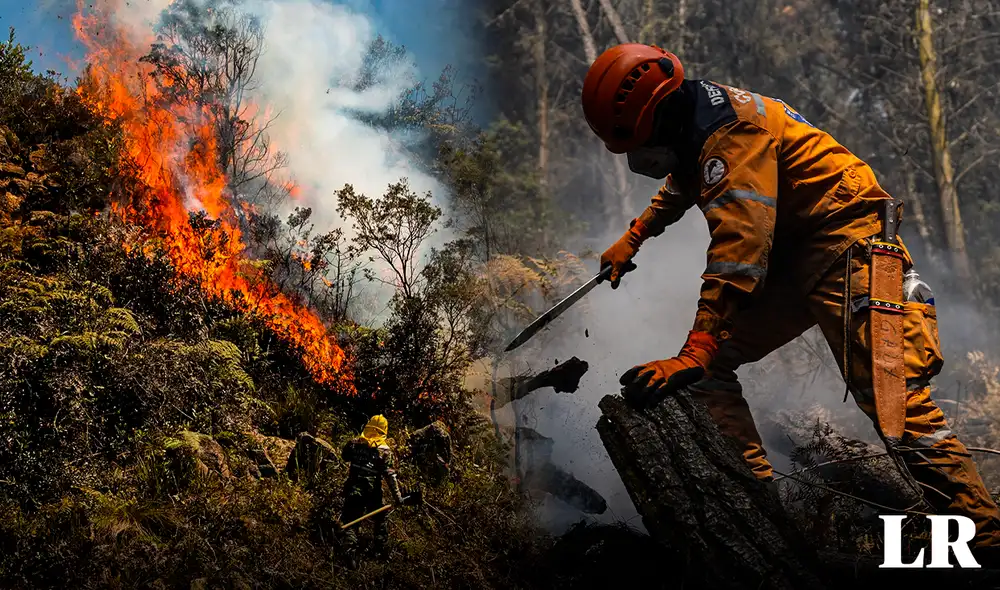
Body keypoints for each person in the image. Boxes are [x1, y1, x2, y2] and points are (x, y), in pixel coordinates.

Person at [584, 43, 1000, 550]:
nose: (635, 159)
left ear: (655, 114)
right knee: (705, 375)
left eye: (635, 145)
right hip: (799, 257)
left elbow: (739, 255)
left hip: (851, 247)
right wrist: (637, 233)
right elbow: (684, 179)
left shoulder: (733, 133)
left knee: (898, 406)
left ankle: (986, 535)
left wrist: (694, 347)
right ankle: (763, 510)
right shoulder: (695, 121)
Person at [339, 414, 405, 566]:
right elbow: (390, 476)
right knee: (381, 518)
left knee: (351, 522)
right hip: (372, 492)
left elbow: (344, 457)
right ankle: (380, 553)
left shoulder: (355, 443)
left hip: (353, 489)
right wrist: (398, 497)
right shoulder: (385, 451)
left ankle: (350, 558)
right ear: (383, 431)